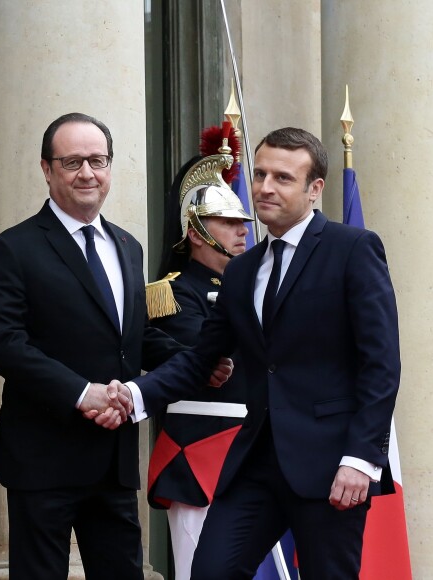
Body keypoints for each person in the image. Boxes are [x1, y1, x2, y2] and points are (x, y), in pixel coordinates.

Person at [107, 127, 401, 579]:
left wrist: (361, 459)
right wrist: (134, 395)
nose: (264, 187)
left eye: (283, 178)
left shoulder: (353, 249)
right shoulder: (243, 270)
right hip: (254, 464)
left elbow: (381, 365)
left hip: (331, 466)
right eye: (260, 173)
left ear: (314, 188)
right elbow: (199, 359)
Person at [0, 112, 231, 580]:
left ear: (111, 167)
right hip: (42, 458)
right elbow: (1, 343)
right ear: (47, 169)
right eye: (72, 162)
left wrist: (195, 362)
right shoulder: (13, 249)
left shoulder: (126, 246)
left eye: (97, 160)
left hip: (113, 458)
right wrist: (82, 392)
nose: (87, 173)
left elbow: (130, 339)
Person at [146, 127, 252, 580]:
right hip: (200, 452)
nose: (242, 230)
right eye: (228, 223)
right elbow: (203, 354)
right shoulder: (171, 293)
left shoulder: (256, 284)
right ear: (196, 231)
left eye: (242, 222)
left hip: (258, 452)